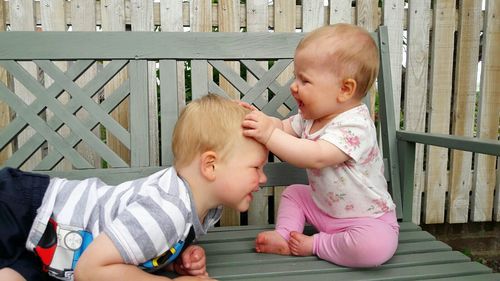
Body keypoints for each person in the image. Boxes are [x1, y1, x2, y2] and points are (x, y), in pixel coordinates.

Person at [0, 94, 268, 281]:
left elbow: (138, 243)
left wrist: (172, 258)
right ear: (210, 166)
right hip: (25, 210)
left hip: (44, 253)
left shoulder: (200, 206)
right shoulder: (166, 210)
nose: (263, 178)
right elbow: (90, 270)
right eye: (256, 168)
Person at [241, 23, 399, 268]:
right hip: (323, 209)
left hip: (366, 220)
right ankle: (286, 235)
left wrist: (268, 136)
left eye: (304, 80)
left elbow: (316, 156)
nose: (294, 86)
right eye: (296, 77)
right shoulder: (310, 117)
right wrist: (264, 122)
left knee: (374, 247)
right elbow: (282, 127)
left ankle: (315, 245)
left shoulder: (356, 125)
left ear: (345, 89)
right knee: (295, 193)